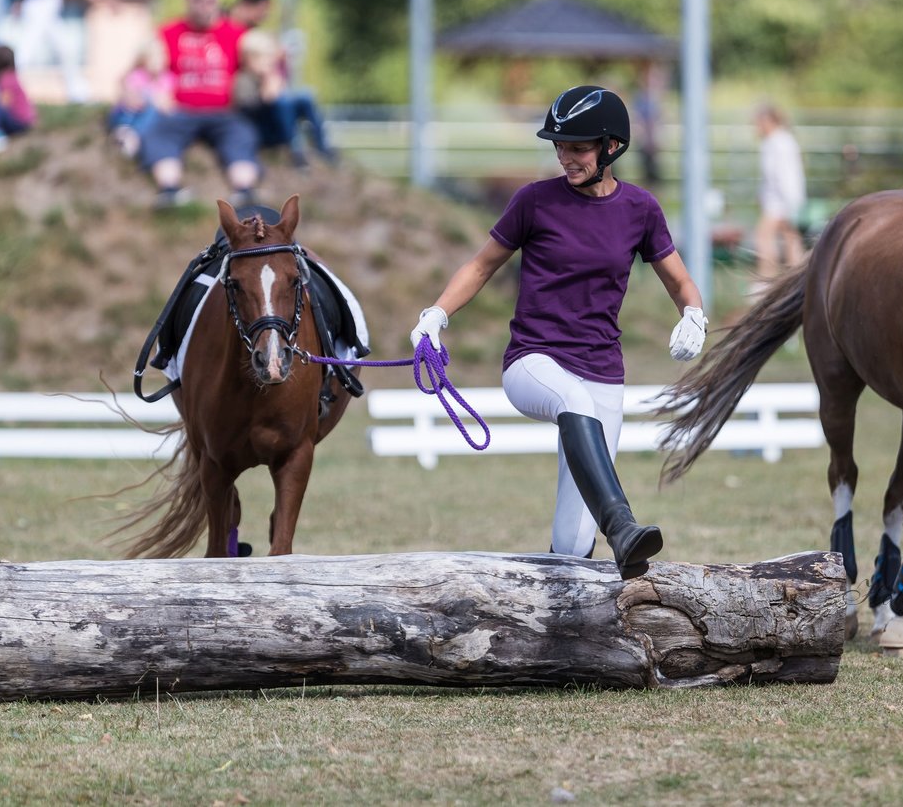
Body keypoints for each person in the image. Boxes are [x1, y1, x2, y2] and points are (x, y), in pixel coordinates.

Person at [409, 85, 707, 579]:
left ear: (611, 147)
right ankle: (622, 525)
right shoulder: (534, 201)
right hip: (534, 361)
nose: (565, 157)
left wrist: (693, 314)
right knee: (573, 402)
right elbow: (481, 267)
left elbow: (679, 280)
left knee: (572, 545)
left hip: (603, 371)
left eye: (577, 147)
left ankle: (562, 629)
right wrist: (437, 314)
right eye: (560, 147)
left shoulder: (641, 209)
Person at [138, 0, 259, 209]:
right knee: (159, 134)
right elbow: (142, 71)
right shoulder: (168, 33)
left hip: (223, 112)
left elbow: (260, 67)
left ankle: (245, 192)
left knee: (241, 136)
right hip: (181, 110)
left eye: (212, 0)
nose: (206, 6)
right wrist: (155, 93)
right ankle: (169, 189)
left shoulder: (237, 35)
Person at [14, 0, 120, 104]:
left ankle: (78, 93)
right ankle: (6, 89)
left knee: (65, 48)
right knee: (26, 50)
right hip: (41, 0)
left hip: (44, 0)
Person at [232, 28, 336, 168]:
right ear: (250, 59)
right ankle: (295, 149)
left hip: (277, 124)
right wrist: (265, 98)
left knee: (305, 96)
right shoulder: (243, 80)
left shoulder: (269, 77)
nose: (271, 62)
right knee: (283, 102)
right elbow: (246, 109)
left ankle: (322, 145)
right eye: (266, 58)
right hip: (262, 130)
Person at [752, 103, 807, 285]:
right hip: (779, 200)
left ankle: (767, 278)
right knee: (790, 238)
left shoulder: (779, 142)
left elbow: (785, 175)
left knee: (764, 237)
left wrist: (790, 203)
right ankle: (796, 280)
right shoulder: (776, 141)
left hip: (781, 201)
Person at [106, 39, 174, 159]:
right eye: (154, 58)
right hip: (127, 115)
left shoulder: (167, 79)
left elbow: (167, 105)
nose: (158, 62)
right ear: (143, 60)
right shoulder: (136, 76)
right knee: (147, 99)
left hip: (147, 117)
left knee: (152, 108)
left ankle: (132, 137)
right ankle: (124, 131)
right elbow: (131, 99)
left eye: (161, 57)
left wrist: (156, 101)